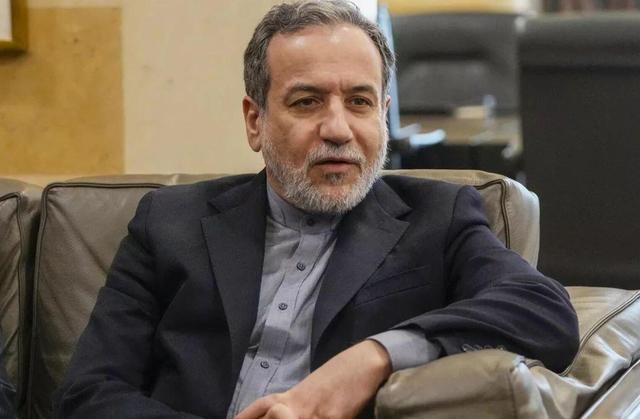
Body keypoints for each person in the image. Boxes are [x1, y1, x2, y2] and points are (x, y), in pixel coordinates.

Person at [54, 1, 579, 418]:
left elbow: (544, 312)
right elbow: (89, 393)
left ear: (383, 115)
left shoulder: (437, 218)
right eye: (306, 101)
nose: (338, 129)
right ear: (255, 121)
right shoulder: (169, 222)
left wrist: (377, 356)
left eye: (359, 102)